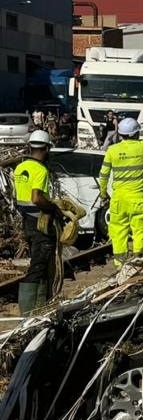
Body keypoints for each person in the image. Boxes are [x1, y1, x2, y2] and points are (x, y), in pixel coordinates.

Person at [13, 130, 66, 314]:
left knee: (42, 266)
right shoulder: (40, 170)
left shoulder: (20, 167)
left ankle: (41, 307)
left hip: (27, 221)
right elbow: (36, 198)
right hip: (39, 222)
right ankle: (28, 314)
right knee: (38, 267)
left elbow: (19, 198)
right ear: (46, 148)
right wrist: (53, 208)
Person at [98, 117, 143, 267]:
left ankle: (120, 266)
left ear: (120, 134)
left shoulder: (112, 150)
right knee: (140, 231)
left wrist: (103, 194)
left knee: (118, 232)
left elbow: (103, 176)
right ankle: (140, 264)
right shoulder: (142, 147)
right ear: (136, 134)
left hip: (118, 200)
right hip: (137, 199)